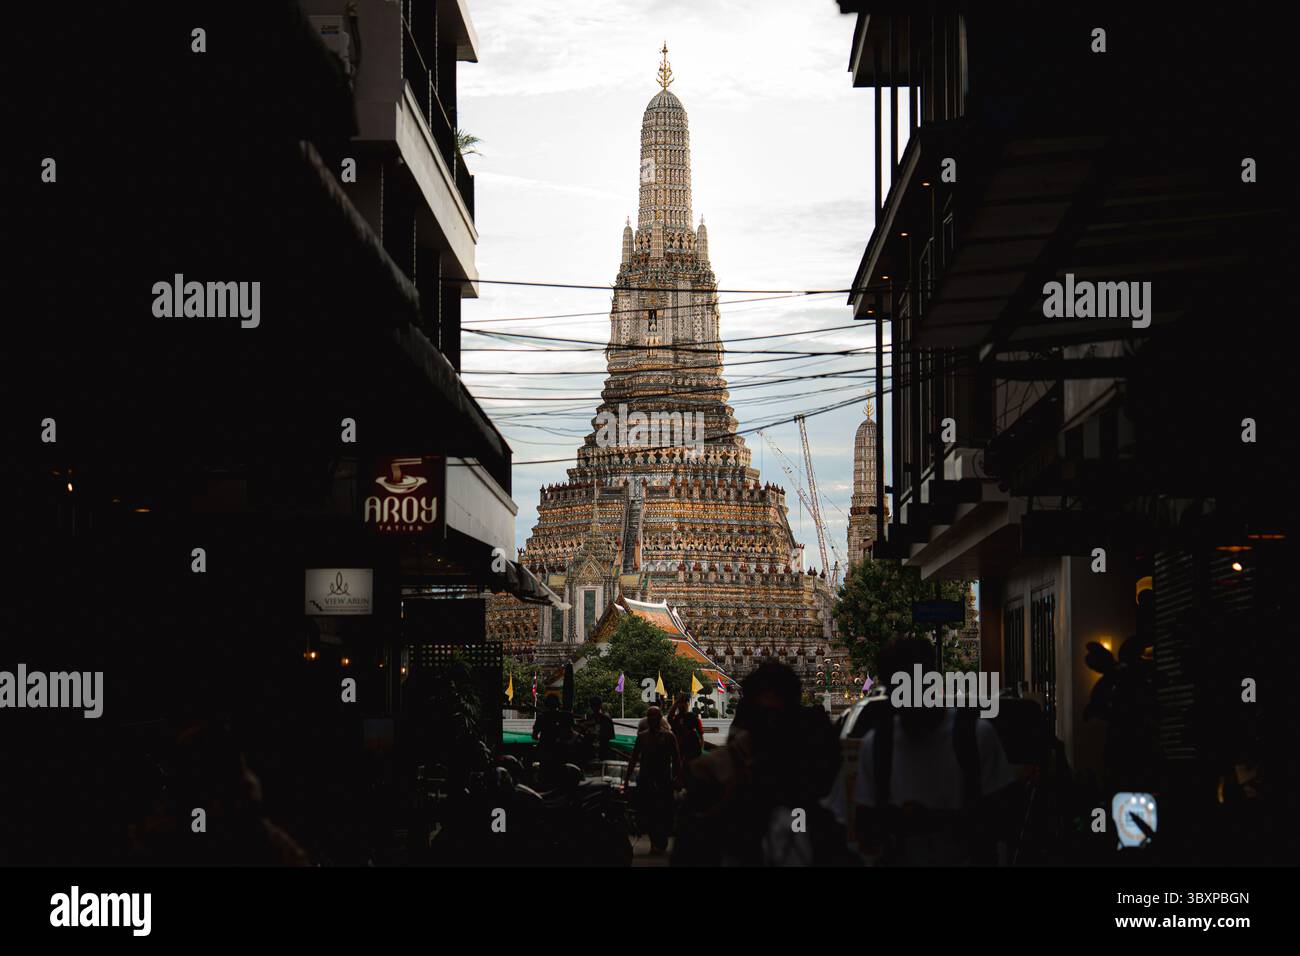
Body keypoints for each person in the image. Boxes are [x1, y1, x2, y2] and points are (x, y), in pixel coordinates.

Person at [854, 636, 1018, 866]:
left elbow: (1005, 818)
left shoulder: (975, 737)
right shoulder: (878, 745)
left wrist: (934, 821)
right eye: (896, 689)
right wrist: (892, 822)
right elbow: (864, 827)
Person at [672, 661, 844, 866]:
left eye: (779, 720)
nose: (771, 728)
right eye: (763, 720)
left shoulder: (807, 782)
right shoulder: (723, 778)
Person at [624, 705, 681, 854]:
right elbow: (634, 758)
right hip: (646, 780)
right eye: (650, 716)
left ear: (660, 718)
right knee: (648, 812)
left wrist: (677, 778)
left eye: (655, 716)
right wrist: (627, 778)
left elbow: (676, 760)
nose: (653, 719)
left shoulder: (669, 736)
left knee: (663, 812)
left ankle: (660, 840)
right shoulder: (642, 737)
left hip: (663, 780)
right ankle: (655, 840)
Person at [667, 692, 705, 765]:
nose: (683, 705)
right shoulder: (677, 719)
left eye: (685, 703)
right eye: (681, 703)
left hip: (692, 747)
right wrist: (675, 704)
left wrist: (701, 748)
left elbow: (701, 735)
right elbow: (669, 717)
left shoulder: (693, 717)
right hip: (680, 748)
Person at [580, 695, 616, 762]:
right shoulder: (606, 719)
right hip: (600, 751)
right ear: (600, 705)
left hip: (595, 751)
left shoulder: (589, 719)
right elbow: (610, 736)